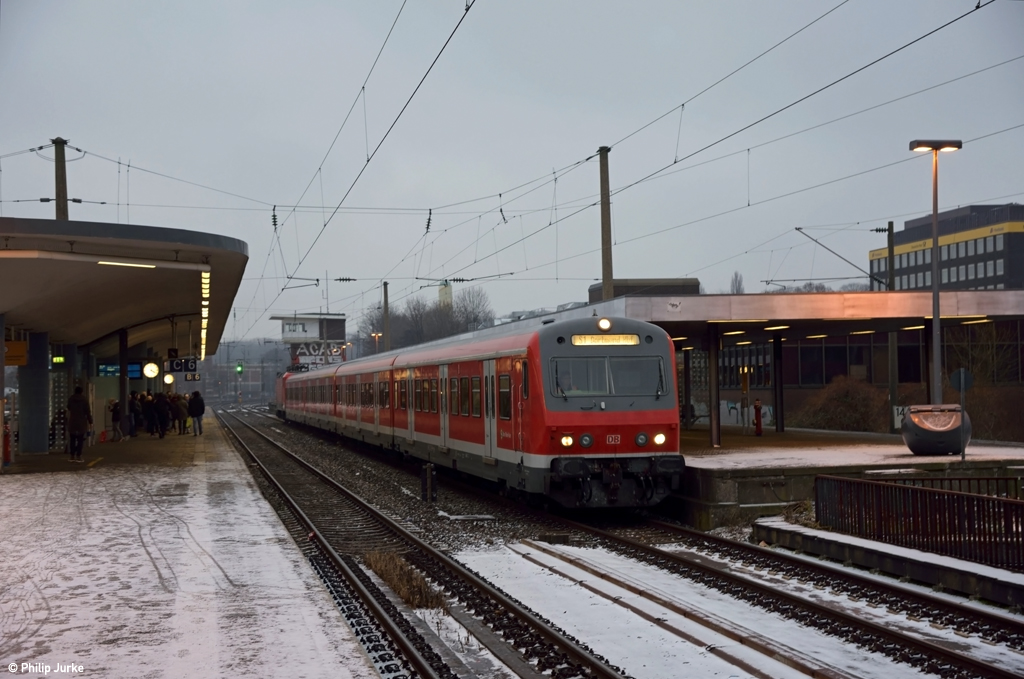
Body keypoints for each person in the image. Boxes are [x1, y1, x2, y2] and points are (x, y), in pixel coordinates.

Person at [67, 386, 92, 462]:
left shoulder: (71, 399)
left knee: (72, 439)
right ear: (82, 392)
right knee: (80, 440)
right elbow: (87, 412)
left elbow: (68, 407)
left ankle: (72, 456)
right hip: (81, 422)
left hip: (72, 421)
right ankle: (79, 455)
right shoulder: (84, 400)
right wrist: (91, 422)